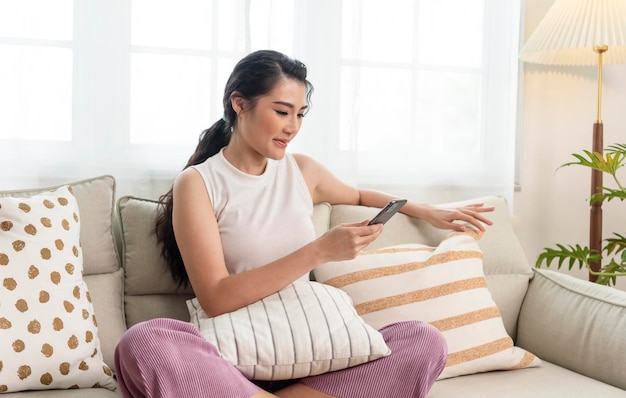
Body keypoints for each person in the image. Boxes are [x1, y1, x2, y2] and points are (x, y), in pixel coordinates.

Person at [114, 49, 494, 398]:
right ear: (239, 104)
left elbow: (360, 195)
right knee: (144, 342)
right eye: (282, 111)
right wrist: (318, 251)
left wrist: (426, 210)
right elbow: (215, 298)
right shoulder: (198, 183)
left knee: (422, 340)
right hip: (234, 357)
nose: (292, 126)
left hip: (312, 349)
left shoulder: (302, 170)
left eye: (300, 114)